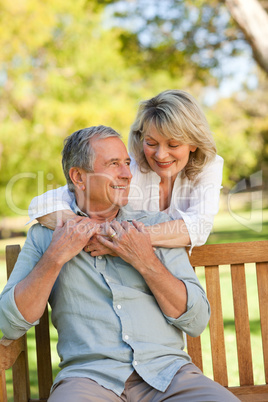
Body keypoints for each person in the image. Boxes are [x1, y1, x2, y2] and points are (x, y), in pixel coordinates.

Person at [0, 126, 237, 401]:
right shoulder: (47, 235)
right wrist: (55, 257)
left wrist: (144, 258)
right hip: (89, 380)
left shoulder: (154, 228)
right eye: (114, 164)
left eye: (126, 163)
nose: (127, 174)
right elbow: (9, 323)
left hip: (170, 377)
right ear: (79, 177)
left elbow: (196, 320)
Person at [28, 90, 223, 254]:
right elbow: (42, 205)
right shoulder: (129, 169)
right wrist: (98, 233)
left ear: (194, 144)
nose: (161, 155)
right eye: (151, 143)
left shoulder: (209, 166)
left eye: (173, 144)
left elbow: (200, 227)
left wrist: (122, 242)